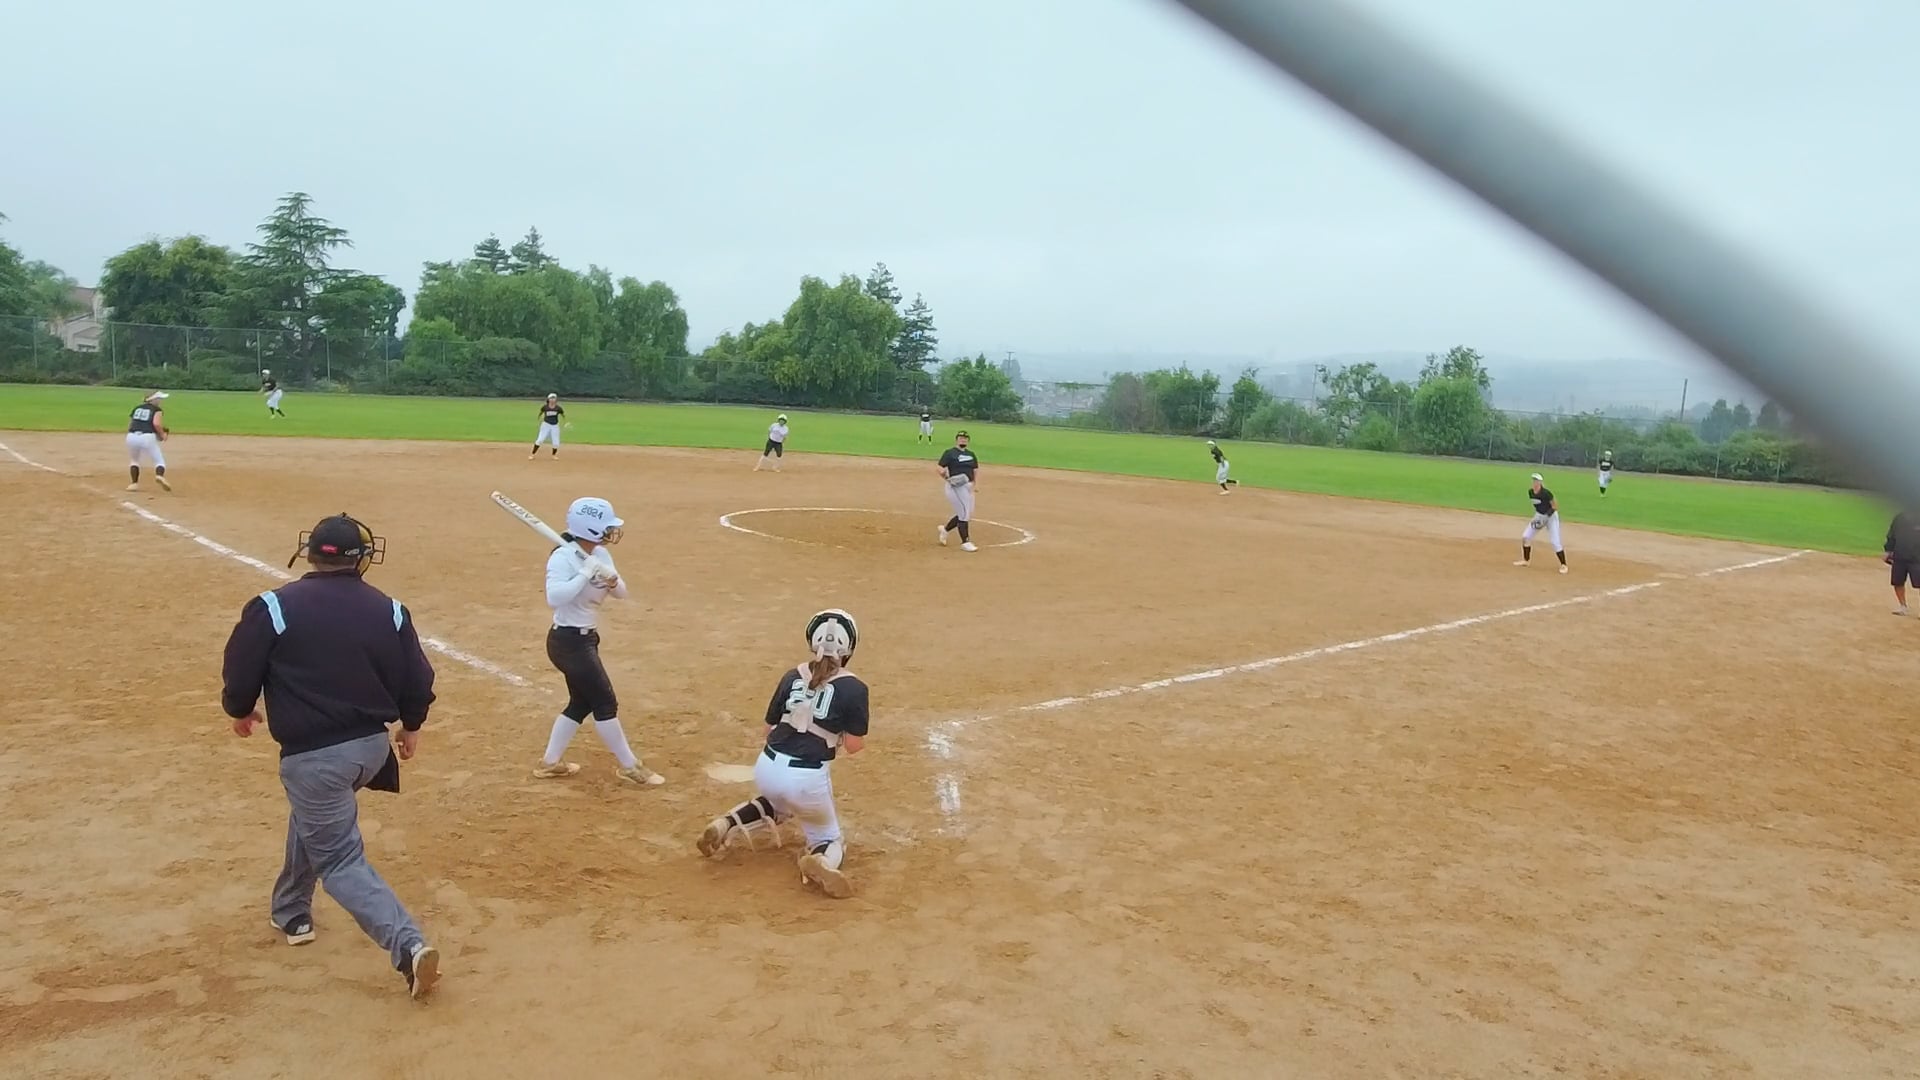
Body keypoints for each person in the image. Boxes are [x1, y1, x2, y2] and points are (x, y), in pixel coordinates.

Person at [219, 513, 443, 999]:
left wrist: (240, 709)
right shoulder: (391, 609)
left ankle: (408, 946)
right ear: (361, 559)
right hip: (369, 750)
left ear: (310, 553)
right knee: (316, 816)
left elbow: (240, 668)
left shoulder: (273, 606)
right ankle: (291, 911)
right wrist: (412, 725)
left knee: (339, 858)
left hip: (316, 758)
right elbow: (418, 680)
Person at [696, 609, 869, 900]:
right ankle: (822, 859)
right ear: (849, 648)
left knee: (779, 803)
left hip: (767, 765)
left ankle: (725, 823)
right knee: (830, 837)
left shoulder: (792, 675)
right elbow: (854, 746)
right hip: (806, 777)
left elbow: (768, 729)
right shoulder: (855, 687)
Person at [533, 497, 665, 786]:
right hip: (567, 642)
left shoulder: (600, 554)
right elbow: (554, 597)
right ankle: (630, 767)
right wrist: (584, 573)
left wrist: (612, 580)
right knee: (605, 703)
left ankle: (549, 763)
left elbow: (622, 593)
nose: (611, 532)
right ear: (590, 528)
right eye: (606, 527)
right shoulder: (563, 557)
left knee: (581, 703)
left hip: (587, 639)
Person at [1515, 472, 1569, 573]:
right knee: (1526, 537)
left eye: (1537, 481)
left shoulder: (1546, 493)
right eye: (1533, 480)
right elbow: (1539, 507)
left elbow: (1555, 506)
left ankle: (1564, 565)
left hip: (1551, 517)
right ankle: (1526, 561)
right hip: (1539, 516)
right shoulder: (1531, 492)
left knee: (1555, 542)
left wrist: (1546, 517)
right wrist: (1539, 518)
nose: (1535, 482)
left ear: (1540, 482)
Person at [936, 430, 979, 552]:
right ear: (956, 440)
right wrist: (946, 477)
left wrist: (974, 484)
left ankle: (945, 530)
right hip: (956, 487)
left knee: (966, 513)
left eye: (965, 438)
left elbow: (975, 469)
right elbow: (939, 467)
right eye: (960, 438)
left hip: (968, 486)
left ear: (968, 441)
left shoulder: (971, 454)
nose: (963, 440)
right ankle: (965, 542)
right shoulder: (950, 453)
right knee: (964, 514)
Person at [125, 390, 172, 492]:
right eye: (159, 398)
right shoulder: (157, 410)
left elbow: (130, 424)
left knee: (134, 460)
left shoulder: (137, 408)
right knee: (159, 460)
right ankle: (159, 476)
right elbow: (156, 424)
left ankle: (134, 484)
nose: (160, 400)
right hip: (147, 436)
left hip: (131, 436)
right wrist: (162, 434)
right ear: (153, 400)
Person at [1885, 509, 1919, 616]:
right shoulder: (1900, 517)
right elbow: (1892, 534)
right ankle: (1903, 606)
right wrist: (1889, 550)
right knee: (1897, 582)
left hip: (1917, 557)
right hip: (1900, 555)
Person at [530, 393, 564, 458]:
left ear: (556, 399)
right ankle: (532, 454)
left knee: (556, 443)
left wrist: (565, 423)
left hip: (555, 426)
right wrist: (539, 421)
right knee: (540, 440)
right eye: (551, 398)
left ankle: (554, 455)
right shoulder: (545, 407)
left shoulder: (558, 408)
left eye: (554, 398)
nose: (552, 399)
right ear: (548, 399)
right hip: (546, 425)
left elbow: (563, 415)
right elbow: (540, 414)